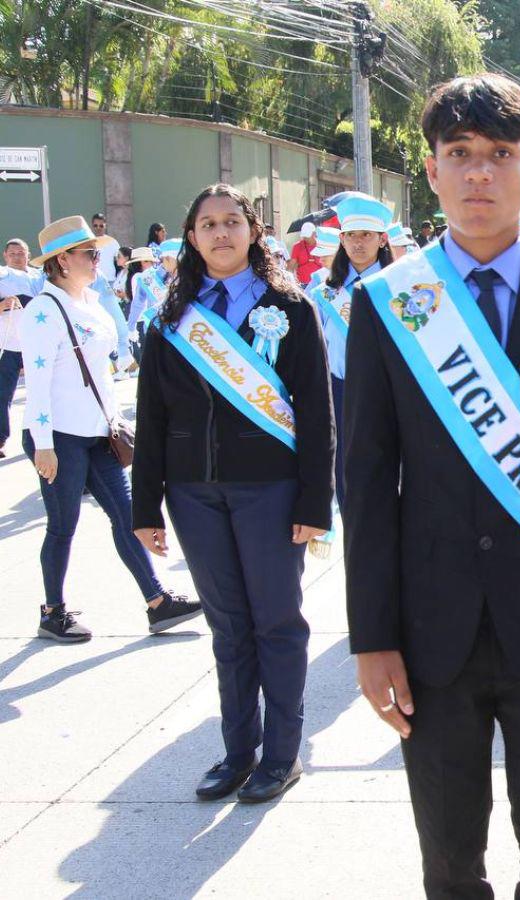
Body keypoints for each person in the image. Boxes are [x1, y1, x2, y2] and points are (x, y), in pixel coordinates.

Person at [344, 74, 520, 899]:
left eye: (500, 156)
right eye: (459, 155)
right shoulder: (388, 305)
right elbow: (364, 481)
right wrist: (372, 637)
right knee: (448, 864)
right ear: (430, 172)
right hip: (429, 637)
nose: (478, 175)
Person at [132, 183, 334, 802]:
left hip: (271, 490)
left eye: (231, 222)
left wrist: (313, 501)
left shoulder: (292, 308)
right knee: (228, 627)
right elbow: (153, 419)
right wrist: (145, 508)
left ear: (253, 231)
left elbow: (317, 411)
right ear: (190, 238)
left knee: (277, 622)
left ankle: (281, 755)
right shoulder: (170, 318)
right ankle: (237, 752)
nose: (220, 233)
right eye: (207, 224)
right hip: (193, 494)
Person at [17, 217, 197, 642]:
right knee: (64, 524)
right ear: (62, 260)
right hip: (58, 435)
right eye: (90, 254)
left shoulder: (91, 304)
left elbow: (101, 372)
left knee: (127, 516)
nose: (99, 261)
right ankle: (52, 612)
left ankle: (158, 601)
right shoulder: (44, 310)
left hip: (97, 432)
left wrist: (115, 420)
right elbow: (37, 386)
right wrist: (43, 446)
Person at [315, 193, 392, 510]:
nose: (358, 243)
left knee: (385, 481)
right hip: (338, 393)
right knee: (344, 482)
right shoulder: (322, 291)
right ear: (341, 240)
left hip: (386, 395)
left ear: (382, 239)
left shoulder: (399, 289)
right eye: (350, 235)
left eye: (366, 235)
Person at [1, 239, 45, 458]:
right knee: (3, 394)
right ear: (5, 256)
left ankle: (42, 437)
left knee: (41, 392)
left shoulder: (39, 277)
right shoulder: (2, 277)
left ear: (29, 255)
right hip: (8, 345)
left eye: (21, 253)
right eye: (13, 254)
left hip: (36, 346)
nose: (17, 257)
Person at [288, 221, 324, 286]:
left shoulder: (322, 245)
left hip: (320, 284)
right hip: (302, 285)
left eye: (307, 235)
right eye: (304, 236)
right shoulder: (297, 246)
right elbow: (290, 267)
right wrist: (290, 281)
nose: (305, 238)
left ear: (314, 233)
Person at [90, 213, 120, 285]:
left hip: (109, 280)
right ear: (92, 226)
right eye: (95, 225)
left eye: (101, 226)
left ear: (105, 226)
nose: (98, 228)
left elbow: (119, 262)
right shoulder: (87, 242)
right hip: (92, 280)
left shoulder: (112, 242)